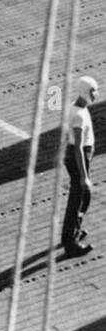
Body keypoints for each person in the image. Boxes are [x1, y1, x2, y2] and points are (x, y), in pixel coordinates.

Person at [62, 76, 97, 258]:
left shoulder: (75, 107)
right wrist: (84, 176)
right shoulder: (79, 116)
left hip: (75, 157)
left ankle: (73, 232)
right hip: (79, 159)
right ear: (85, 92)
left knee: (83, 196)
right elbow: (78, 148)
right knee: (78, 199)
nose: (96, 94)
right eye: (93, 91)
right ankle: (71, 244)